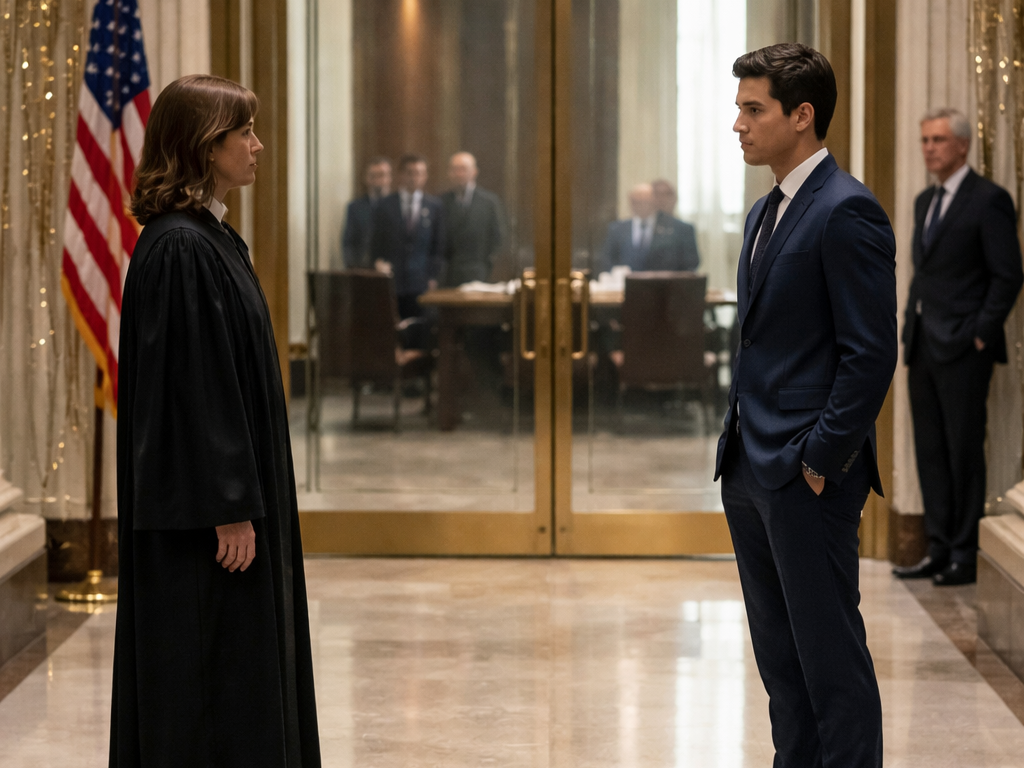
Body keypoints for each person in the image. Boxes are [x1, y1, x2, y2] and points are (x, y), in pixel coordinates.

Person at [111, 75, 321, 767]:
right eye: (245, 133)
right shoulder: (181, 248)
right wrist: (229, 505)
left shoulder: (211, 237)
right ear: (206, 146)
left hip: (229, 505)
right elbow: (195, 389)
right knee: (210, 676)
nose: (257, 146)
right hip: (207, 524)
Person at [715, 44, 896, 767]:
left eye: (752, 109)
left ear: (802, 115)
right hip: (749, 468)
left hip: (804, 474)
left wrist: (820, 459)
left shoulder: (847, 209)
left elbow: (869, 354)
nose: (739, 124)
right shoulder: (765, 211)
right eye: (739, 108)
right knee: (782, 668)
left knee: (831, 666)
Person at [893, 108, 1024, 586]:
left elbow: (1008, 275)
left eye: (939, 140)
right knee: (930, 451)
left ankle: (965, 555)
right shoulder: (925, 200)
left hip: (965, 348)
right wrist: (909, 328)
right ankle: (939, 547)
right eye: (925, 140)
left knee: (963, 452)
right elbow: (925, 274)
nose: (929, 148)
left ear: (963, 145)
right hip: (923, 344)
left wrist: (980, 332)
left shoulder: (989, 199)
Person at [370, 153, 444, 321]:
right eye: (410, 173)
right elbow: (376, 243)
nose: (414, 178)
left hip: (421, 281)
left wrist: (433, 276)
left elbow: (438, 245)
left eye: (420, 173)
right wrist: (378, 263)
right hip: (392, 280)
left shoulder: (434, 206)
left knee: (419, 327)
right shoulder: (385, 205)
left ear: (425, 176)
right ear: (401, 175)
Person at [600, 182, 700, 273]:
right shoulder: (617, 229)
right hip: (626, 284)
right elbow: (607, 261)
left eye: (645, 201)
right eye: (636, 201)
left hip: (665, 285)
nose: (641, 205)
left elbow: (691, 263)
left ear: (654, 202)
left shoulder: (679, 229)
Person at [440, 152, 506, 286]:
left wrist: (487, 264)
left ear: (474, 171)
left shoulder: (489, 202)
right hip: (448, 274)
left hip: (479, 271)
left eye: (463, 169)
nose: (459, 174)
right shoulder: (441, 202)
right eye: (455, 169)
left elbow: (497, 237)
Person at [342, 156, 391, 268]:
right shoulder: (355, 208)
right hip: (363, 268)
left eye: (382, 175)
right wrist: (353, 267)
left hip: (392, 270)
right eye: (373, 176)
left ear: (389, 178)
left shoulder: (398, 207)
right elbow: (348, 243)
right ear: (366, 178)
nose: (378, 180)